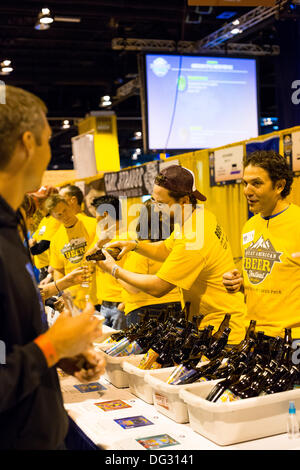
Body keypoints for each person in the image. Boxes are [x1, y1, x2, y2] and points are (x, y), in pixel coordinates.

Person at [0, 85, 105, 450]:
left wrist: (60, 354)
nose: (50, 157)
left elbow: (8, 346)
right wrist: (53, 345)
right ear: (28, 142)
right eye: (48, 141)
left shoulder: (11, 228)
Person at [98, 164, 247, 345]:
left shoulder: (193, 238)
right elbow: (166, 249)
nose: (156, 208)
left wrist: (113, 270)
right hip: (205, 324)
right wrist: (135, 246)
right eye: (153, 201)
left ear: (184, 201)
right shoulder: (199, 216)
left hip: (220, 330)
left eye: (161, 203)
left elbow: (158, 287)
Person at [223, 150, 300, 338]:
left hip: (292, 340)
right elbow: (266, 277)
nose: (247, 191)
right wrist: (238, 283)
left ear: (279, 186)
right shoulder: (250, 225)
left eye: (256, 183)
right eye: (245, 183)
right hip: (252, 335)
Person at [119, 199, 181, 326]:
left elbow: (133, 288)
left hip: (146, 310)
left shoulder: (142, 249)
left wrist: (113, 271)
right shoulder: (177, 246)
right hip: (177, 306)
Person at [45, 194, 98, 310]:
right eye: (59, 214)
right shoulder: (55, 240)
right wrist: (63, 294)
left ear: (70, 205)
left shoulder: (93, 224)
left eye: (65, 210)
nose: (64, 215)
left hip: (100, 296)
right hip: (75, 299)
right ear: (53, 217)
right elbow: (58, 270)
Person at [90, 195, 128, 329]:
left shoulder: (127, 237)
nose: (96, 220)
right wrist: (98, 243)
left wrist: (125, 302)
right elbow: (87, 259)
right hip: (104, 302)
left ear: (105, 214)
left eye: (97, 216)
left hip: (121, 304)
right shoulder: (102, 235)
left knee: (119, 348)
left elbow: (137, 270)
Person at [29, 186, 61, 282]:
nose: (38, 204)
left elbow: (40, 248)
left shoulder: (55, 219)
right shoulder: (44, 220)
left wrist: (31, 247)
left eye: (41, 200)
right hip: (43, 271)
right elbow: (32, 242)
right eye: (38, 200)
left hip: (51, 271)